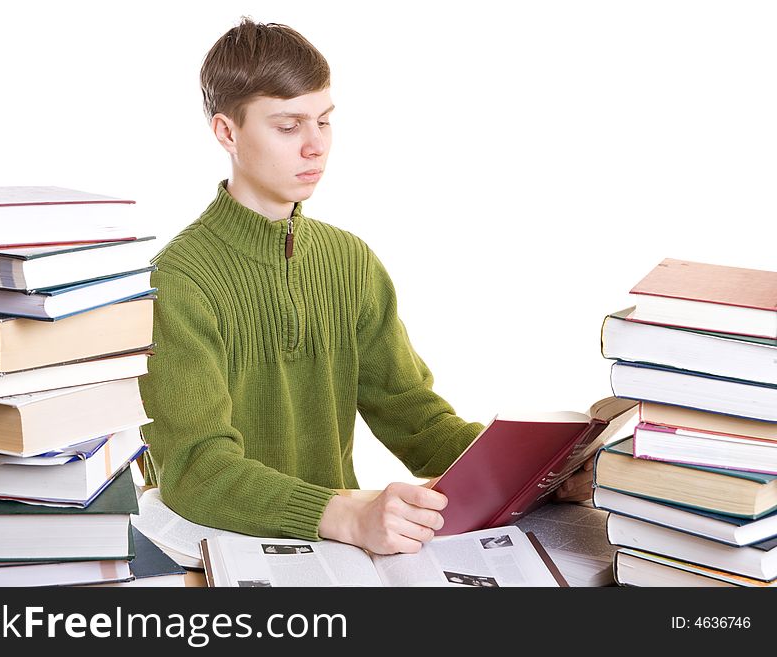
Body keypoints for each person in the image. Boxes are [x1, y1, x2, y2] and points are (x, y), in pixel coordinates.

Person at [138, 17, 593, 556]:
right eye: (288, 127)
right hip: (218, 556)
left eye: (324, 121)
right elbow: (195, 470)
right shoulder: (177, 280)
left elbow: (414, 418)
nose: (315, 146)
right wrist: (344, 513)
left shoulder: (349, 261)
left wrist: (537, 475)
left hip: (332, 556)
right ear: (226, 133)